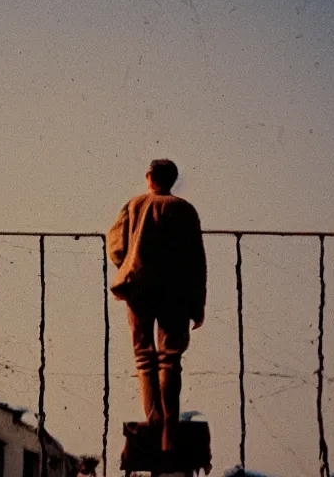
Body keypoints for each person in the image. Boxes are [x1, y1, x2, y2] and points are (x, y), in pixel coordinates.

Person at [106, 159, 207, 456]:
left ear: (149, 178)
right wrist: (197, 303)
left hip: (138, 287)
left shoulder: (134, 205)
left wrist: (127, 267)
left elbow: (115, 246)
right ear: (173, 179)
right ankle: (170, 430)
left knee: (143, 357)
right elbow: (196, 261)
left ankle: (153, 419)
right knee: (170, 359)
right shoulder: (185, 209)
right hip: (175, 291)